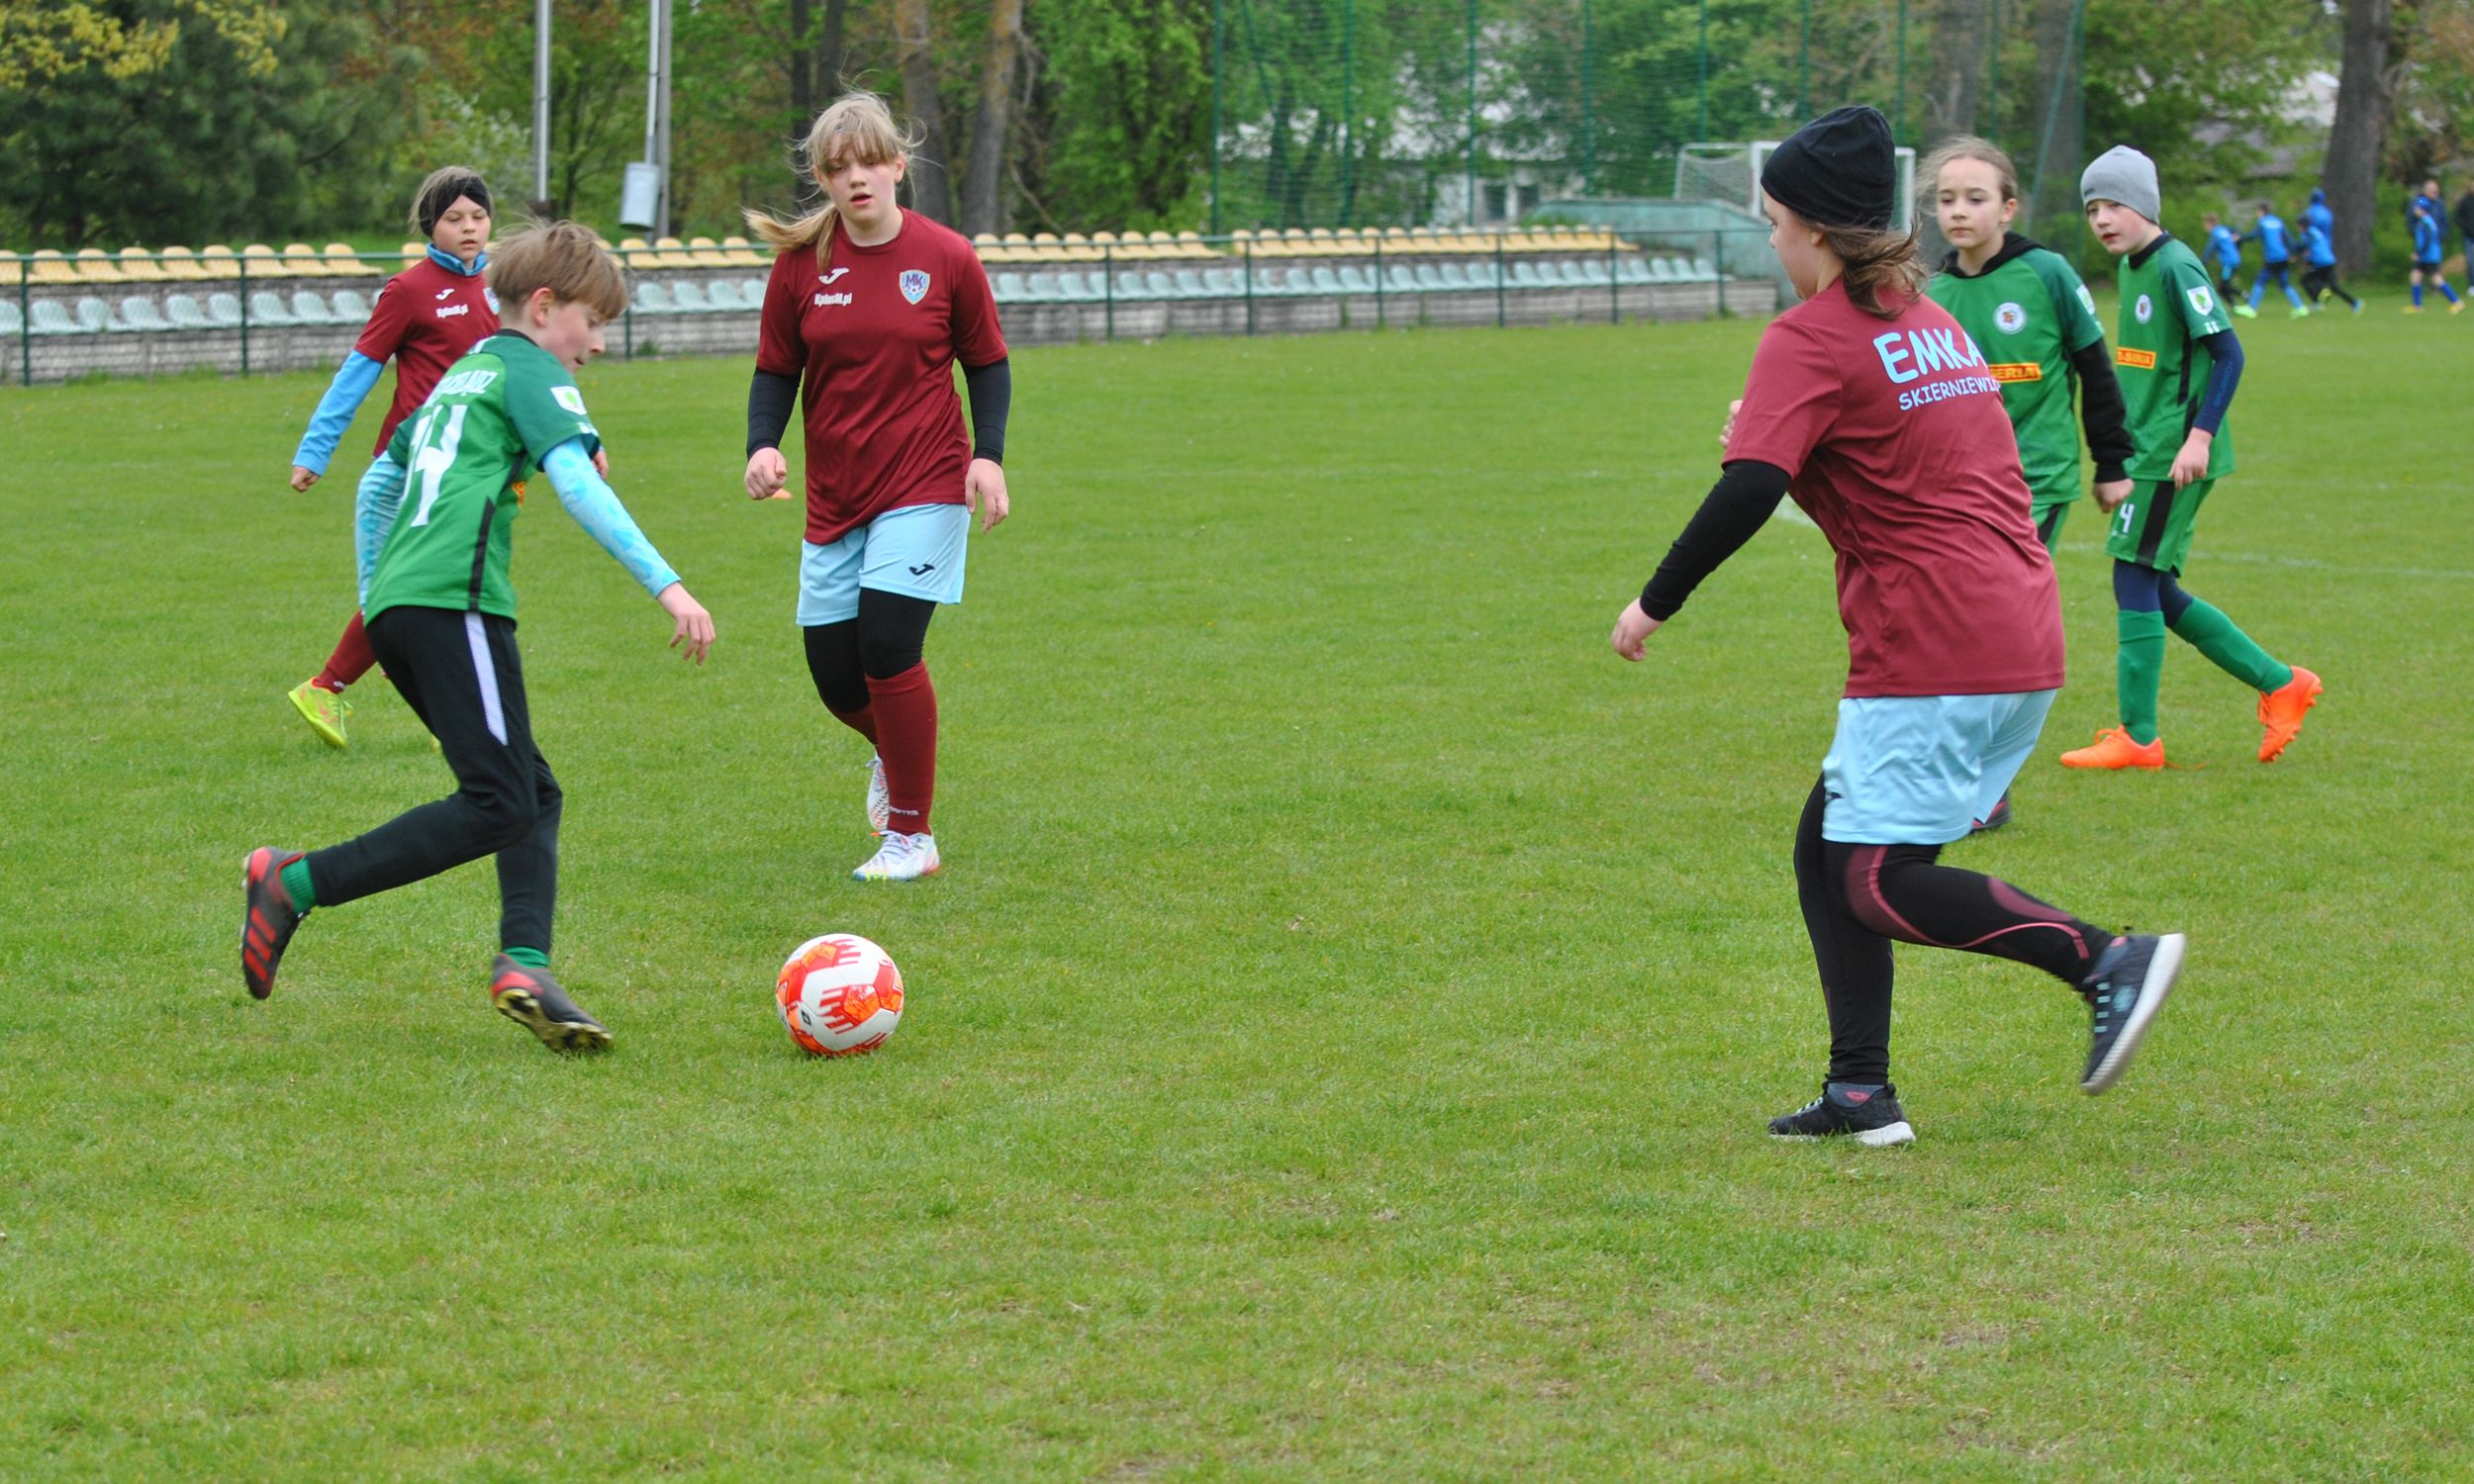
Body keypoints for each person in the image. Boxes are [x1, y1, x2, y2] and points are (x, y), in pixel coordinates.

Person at [1610, 107, 2186, 1147]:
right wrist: (1783, 450)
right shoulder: (1927, 318)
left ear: (1818, 234)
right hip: (2015, 624)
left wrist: (1653, 601)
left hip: (1935, 640)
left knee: (1872, 879)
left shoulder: (1808, 335)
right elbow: (1892, 467)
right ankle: (1860, 1093)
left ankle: (2105, 960)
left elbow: (1748, 488)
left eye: (1777, 221)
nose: (1772, 239)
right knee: (1822, 846)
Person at [240, 222, 716, 1053]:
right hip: (455, 605)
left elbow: (378, 484)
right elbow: (575, 482)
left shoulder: (464, 373)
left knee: (530, 790)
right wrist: (668, 586)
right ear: (543, 307)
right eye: (593, 323)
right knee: (500, 801)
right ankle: (296, 880)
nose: (597, 345)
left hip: (403, 609)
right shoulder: (531, 365)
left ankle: (524, 964)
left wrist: (376, 594)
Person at [741, 91, 1012, 882]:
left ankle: (912, 838)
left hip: (926, 480)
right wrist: (763, 445)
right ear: (824, 179)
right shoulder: (800, 267)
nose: (854, 178)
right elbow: (775, 370)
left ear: (898, 165)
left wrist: (987, 456)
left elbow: (987, 363)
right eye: (836, 167)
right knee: (835, 678)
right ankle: (896, 754)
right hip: (835, 494)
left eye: (867, 162)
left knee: (890, 648)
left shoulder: (948, 257)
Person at [2062, 145, 2322, 772]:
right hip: (2147, 450)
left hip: (2172, 455)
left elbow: (2229, 354)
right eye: (2093, 207)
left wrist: (2198, 437)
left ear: (2144, 206)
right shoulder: (2132, 267)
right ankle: (2281, 682)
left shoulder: (2177, 266)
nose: (2102, 219)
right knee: (2155, 586)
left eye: (2114, 205)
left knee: (2132, 578)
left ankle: (2140, 737)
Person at [1922, 137, 2135, 834]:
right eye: (1946, 199)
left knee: (1983, 624)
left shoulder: (2046, 274)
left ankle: (1984, 788)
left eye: (1975, 198)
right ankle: (1967, 772)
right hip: (1954, 488)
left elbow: (2095, 369)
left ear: (2007, 207)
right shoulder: (1932, 291)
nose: (1959, 211)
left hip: (2033, 484)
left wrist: (2112, 463)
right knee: (1960, 623)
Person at [285, 167, 501, 749]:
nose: (469, 228)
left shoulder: (505, 286)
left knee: (443, 594)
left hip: (467, 472)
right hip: (403, 469)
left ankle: (423, 709)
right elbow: (357, 374)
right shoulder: (408, 290)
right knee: (395, 600)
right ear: (431, 225)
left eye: (478, 217)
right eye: (455, 218)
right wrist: (315, 451)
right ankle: (330, 689)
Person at [2236, 202, 2308, 319]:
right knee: (2284, 284)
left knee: (2260, 281)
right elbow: (2288, 238)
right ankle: (2300, 308)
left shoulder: (2262, 223)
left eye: (2258, 212)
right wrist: (2293, 253)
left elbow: (2253, 236)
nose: (2257, 214)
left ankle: (2251, 309)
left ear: (2262, 212)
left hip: (2273, 257)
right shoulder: (2278, 221)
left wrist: (2241, 237)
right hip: (2283, 256)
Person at [2406, 196, 2463, 315]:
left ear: (2422, 209)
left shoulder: (2426, 222)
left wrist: (2418, 254)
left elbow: (2427, 241)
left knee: (2436, 279)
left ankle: (2457, 302)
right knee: (2415, 276)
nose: (2414, 209)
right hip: (2426, 256)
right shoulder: (2424, 221)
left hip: (2429, 257)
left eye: (2416, 207)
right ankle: (2417, 306)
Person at [2299, 210, 2358, 314]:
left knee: (2314, 282)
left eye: (2299, 226)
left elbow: (2305, 246)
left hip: (2324, 263)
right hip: (2324, 262)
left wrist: (2293, 250)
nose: (2298, 228)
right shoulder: (2314, 231)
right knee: (2308, 281)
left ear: (2304, 225)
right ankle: (2320, 300)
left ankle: (2354, 302)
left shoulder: (2309, 233)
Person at [2201, 212, 2243, 303]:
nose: (2205, 226)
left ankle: (2242, 296)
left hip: (2229, 262)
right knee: (2223, 286)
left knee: (2223, 286)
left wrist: (2202, 263)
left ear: (2210, 224)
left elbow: (2209, 250)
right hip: (2234, 260)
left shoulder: (2216, 234)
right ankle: (2237, 303)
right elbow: (2239, 232)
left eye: (2206, 224)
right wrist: (2238, 246)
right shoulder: (2224, 229)